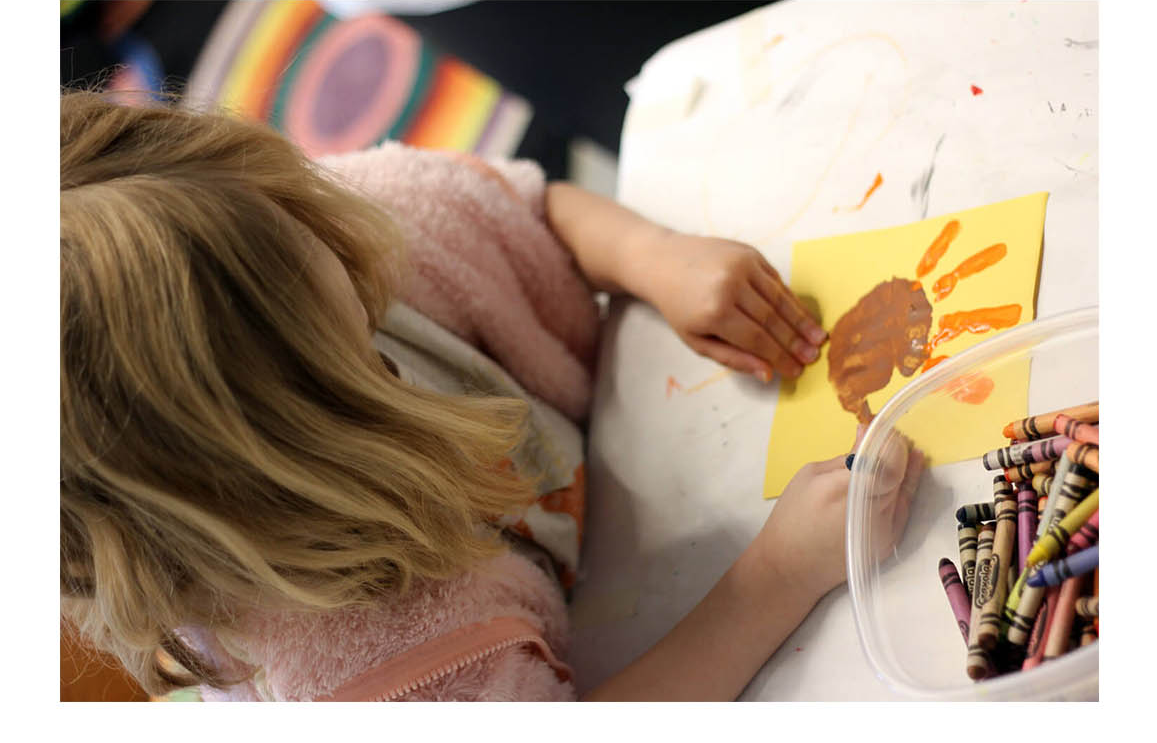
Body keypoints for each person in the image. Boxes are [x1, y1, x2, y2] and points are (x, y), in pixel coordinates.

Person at [60, 91, 921, 701]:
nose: (363, 271)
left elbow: (516, 206)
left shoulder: (312, 227)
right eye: (351, 342)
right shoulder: (369, 675)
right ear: (266, 457)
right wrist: (771, 580)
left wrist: (652, 256)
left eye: (313, 221)